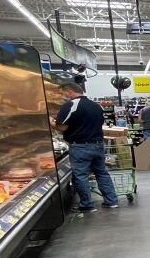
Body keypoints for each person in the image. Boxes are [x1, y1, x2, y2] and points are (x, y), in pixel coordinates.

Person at [50, 83, 119, 212]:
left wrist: (51, 123)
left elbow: (62, 127)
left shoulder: (71, 105)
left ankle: (87, 205)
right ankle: (111, 201)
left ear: (69, 91)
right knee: (102, 173)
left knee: (80, 175)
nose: (62, 96)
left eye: (62, 93)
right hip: (98, 144)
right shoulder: (96, 106)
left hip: (80, 146)